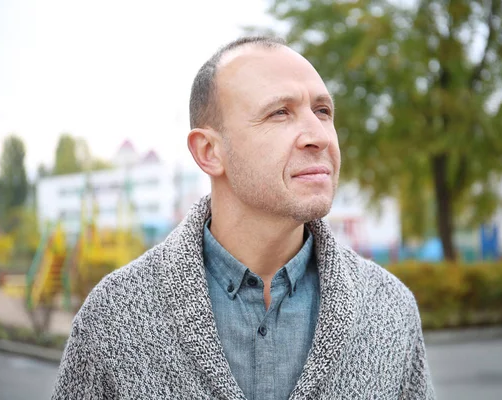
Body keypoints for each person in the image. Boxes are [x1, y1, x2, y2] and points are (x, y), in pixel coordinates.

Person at [52, 36, 435, 400]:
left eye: (323, 111)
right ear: (209, 151)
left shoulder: (390, 310)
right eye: (280, 113)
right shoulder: (115, 316)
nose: (318, 135)